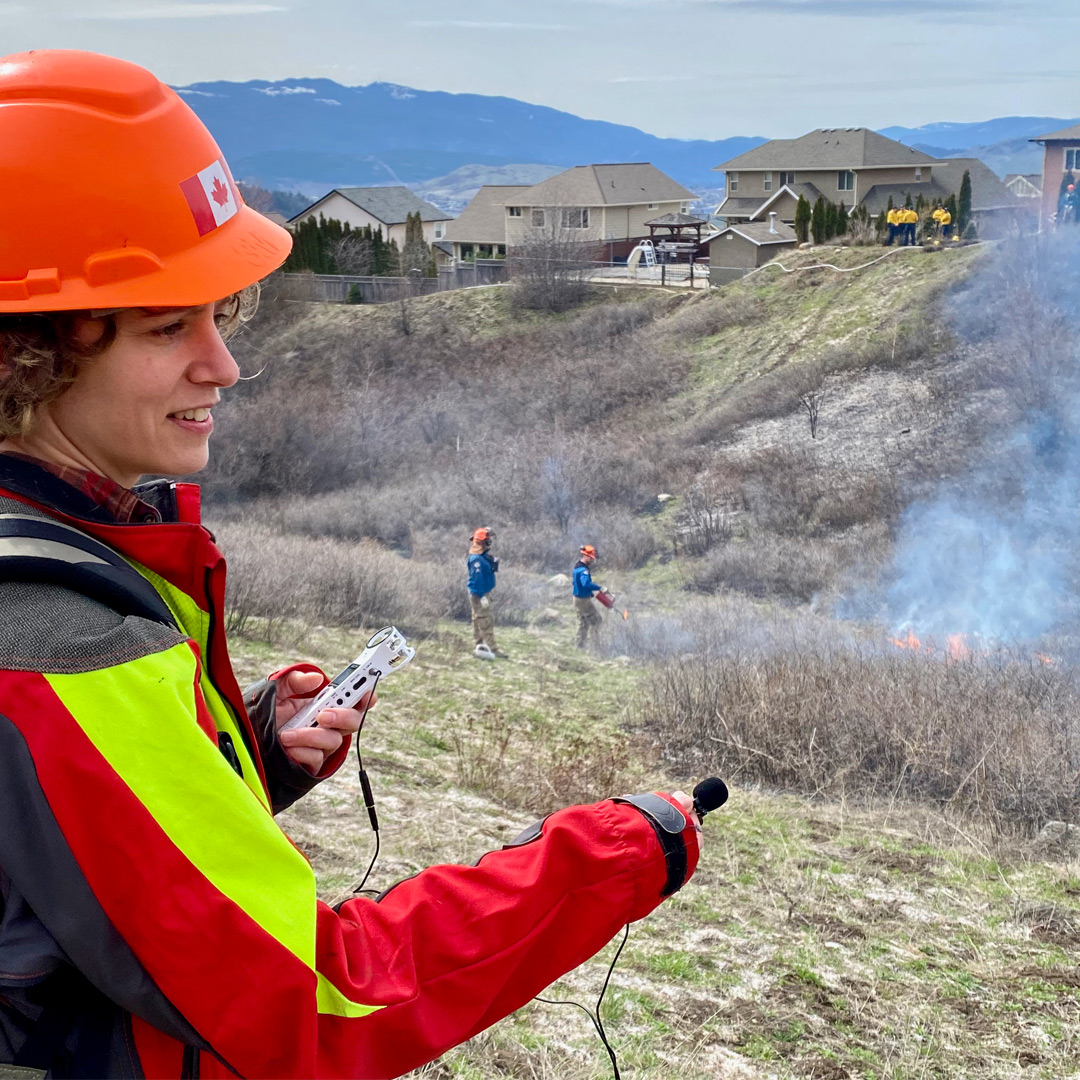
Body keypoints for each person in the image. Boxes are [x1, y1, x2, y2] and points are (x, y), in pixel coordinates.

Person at [0, 51, 702, 1080]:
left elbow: (53, 867)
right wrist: (606, 858)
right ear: (24, 354)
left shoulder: (58, 558)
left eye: (218, 315)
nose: (222, 364)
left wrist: (249, 757)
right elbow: (317, 1004)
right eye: (165, 326)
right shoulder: (58, 646)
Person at [467, 525, 501, 659]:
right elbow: (476, 581)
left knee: (477, 619)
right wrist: (481, 597)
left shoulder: (482, 557)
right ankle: (492, 648)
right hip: (479, 594)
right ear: (483, 542)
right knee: (485, 619)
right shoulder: (477, 560)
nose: (490, 542)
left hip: (482, 592)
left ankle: (480, 646)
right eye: (488, 540)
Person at [572, 544, 605, 649]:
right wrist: (599, 588)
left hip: (578, 598)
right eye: (590, 558)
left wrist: (589, 592)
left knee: (584, 622)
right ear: (585, 556)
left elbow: (575, 583)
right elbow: (585, 583)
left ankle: (580, 646)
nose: (591, 560)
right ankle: (595, 644)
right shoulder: (583, 571)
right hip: (582, 601)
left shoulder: (577, 566)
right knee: (597, 620)